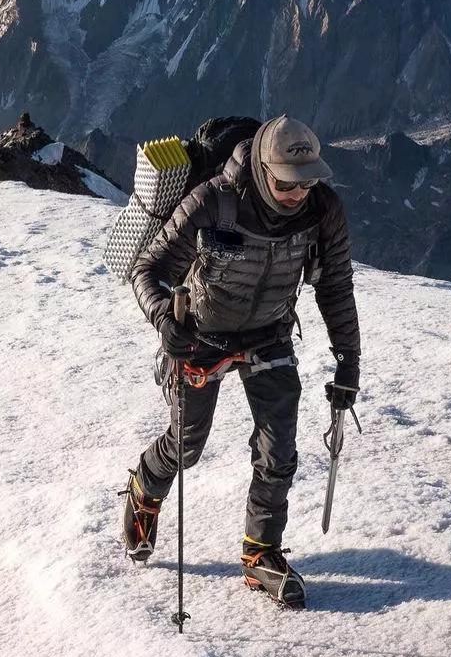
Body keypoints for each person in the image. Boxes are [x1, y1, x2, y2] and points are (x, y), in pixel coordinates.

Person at [121, 114, 361, 608]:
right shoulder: (214, 200)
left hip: (269, 335)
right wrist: (167, 320)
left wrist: (349, 360)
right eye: (289, 183)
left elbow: (334, 286)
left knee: (279, 451)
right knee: (185, 446)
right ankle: (146, 489)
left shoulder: (323, 211)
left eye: (309, 180)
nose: (300, 192)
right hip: (200, 336)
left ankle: (261, 553)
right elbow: (148, 268)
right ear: (262, 170)